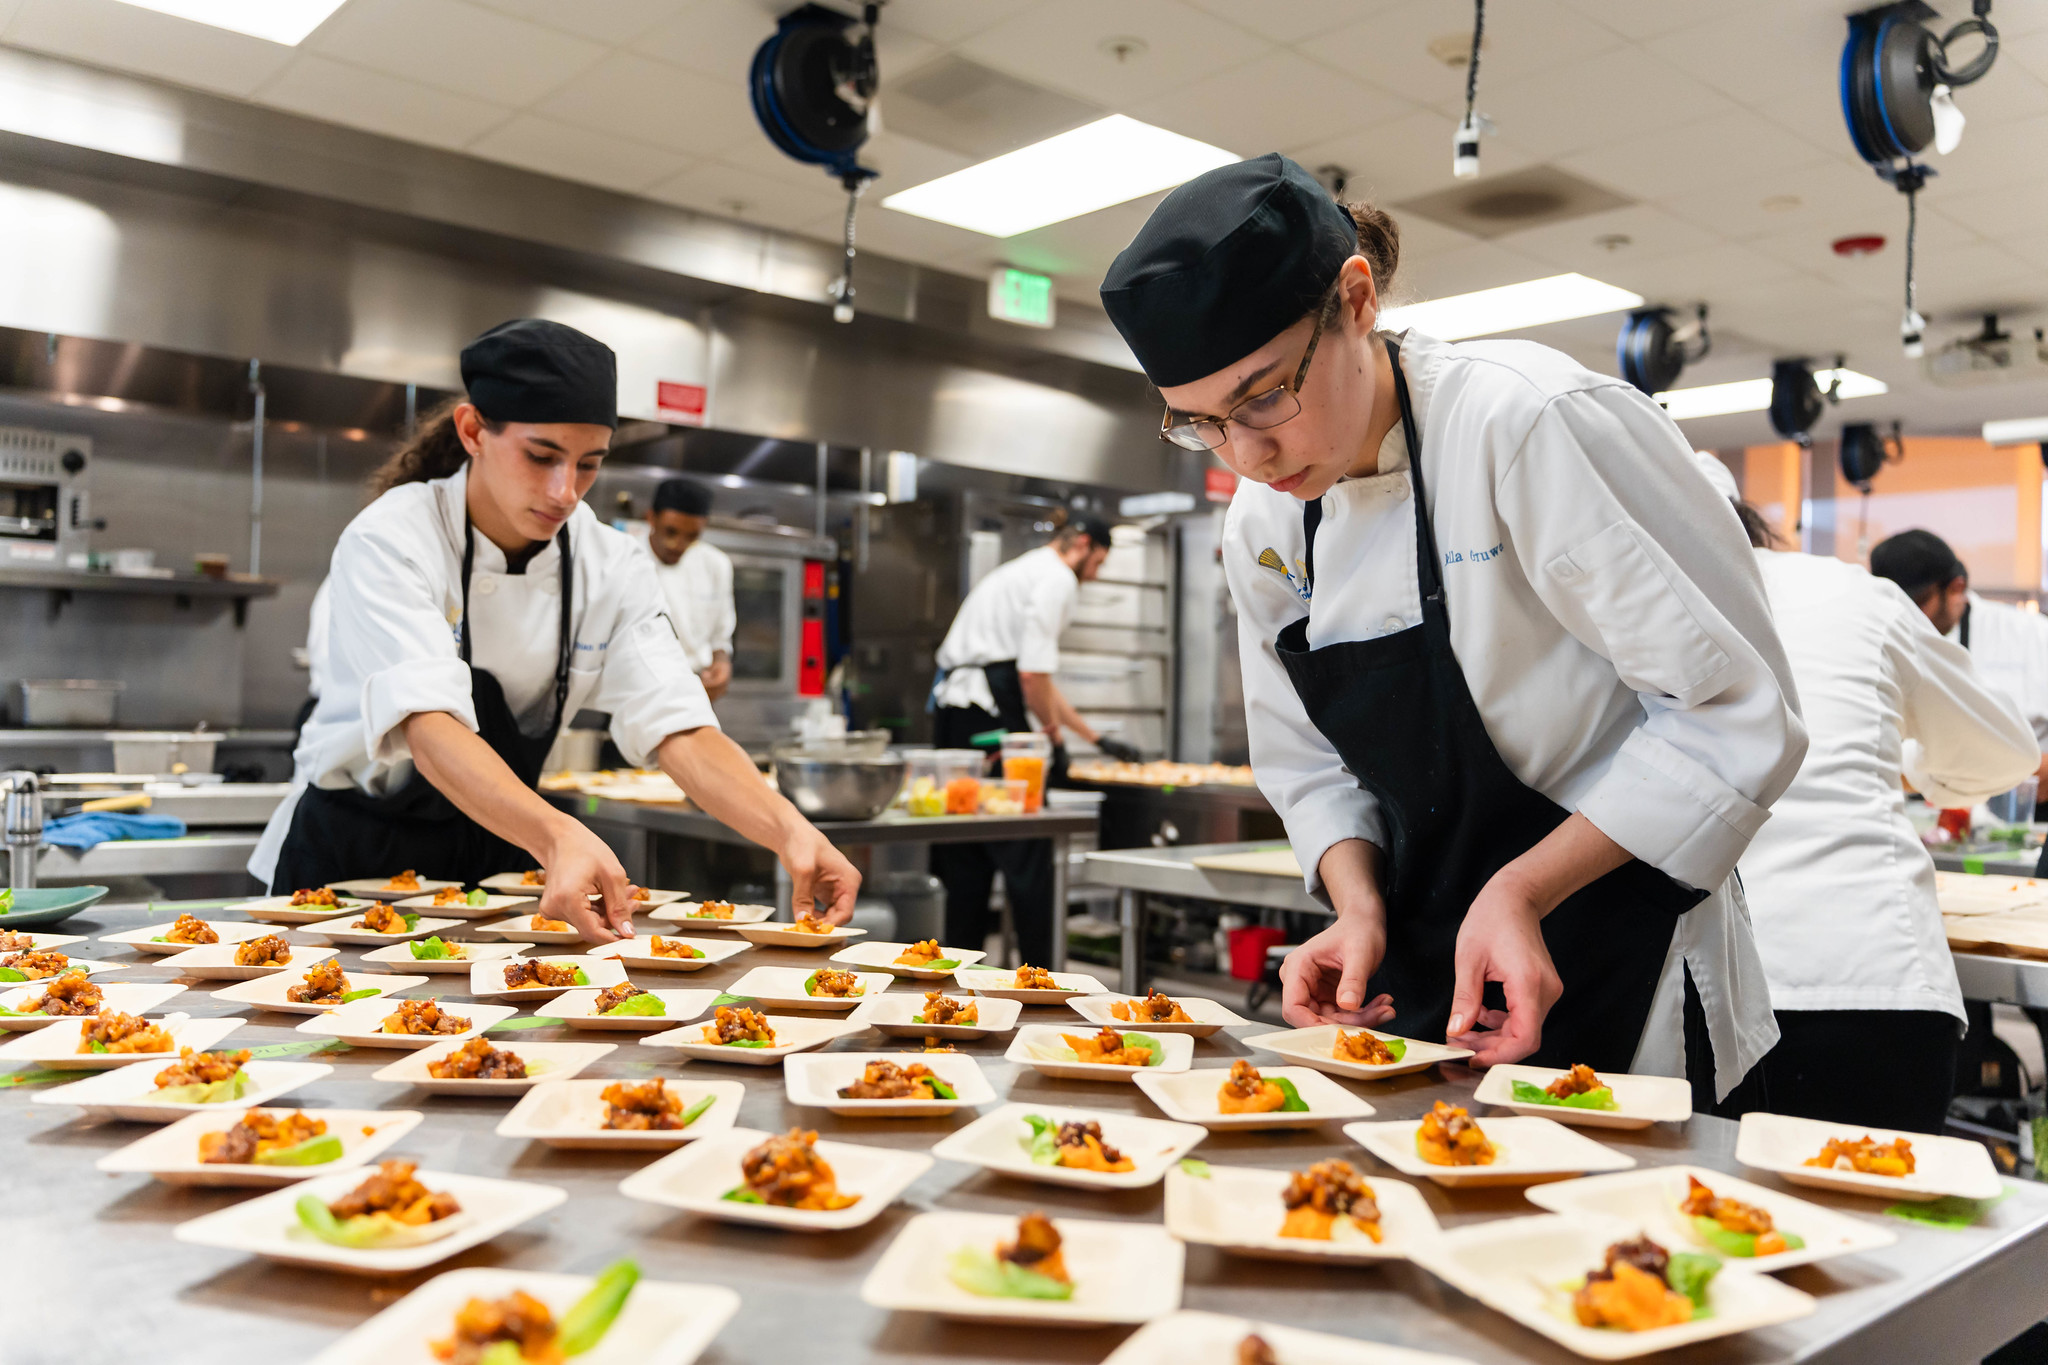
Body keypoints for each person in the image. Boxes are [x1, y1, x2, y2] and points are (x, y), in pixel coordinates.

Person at [1100, 154, 1806, 1105]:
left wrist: (1520, 891)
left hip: (1618, 953)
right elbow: (1309, 764)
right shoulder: (1265, 519)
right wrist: (1356, 906)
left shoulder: (1527, 423)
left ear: (1356, 299)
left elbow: (1736, 715)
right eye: (1200, 424)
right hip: (1420, 975)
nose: (1246, 453)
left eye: (1265, 396)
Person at [251, 319, 859, 939]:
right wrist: (559, 833)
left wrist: (790, 831)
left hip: (502, 858)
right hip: (351, 866)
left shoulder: (609, 563)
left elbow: (680, 725)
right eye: (541, 457)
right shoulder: (393, 538)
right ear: (473, 432)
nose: (565, 492)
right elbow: (429, 727)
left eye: (589, 465)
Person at [1708, 457, 2037, 1131]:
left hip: (1708, 1002)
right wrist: (1912, 760)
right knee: (1882, 1221)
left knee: (1718, 1220)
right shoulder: (1849, 593)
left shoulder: (1628, 615)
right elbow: (2008, 749)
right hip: (1872, 985)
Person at [929, 516, 1137, 964]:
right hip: (991, 713)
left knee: (967, 850)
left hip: (958, 715)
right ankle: (1039, 976)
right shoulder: (1058, 578)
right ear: (1082, 545)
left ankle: (954, 977)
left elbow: (1037, 681)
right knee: (1027, 844)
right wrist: (1053, 741)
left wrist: (1094, 738)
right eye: (1098, 562)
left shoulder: (1021, 570)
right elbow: (1031, 676)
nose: (1096, 575)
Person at [646, 479, 736, 702]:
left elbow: (720, 637)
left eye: (692, 536)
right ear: (651, 518)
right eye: (670, 532)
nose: (678, 544)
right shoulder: (628, 559)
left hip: (695, 688)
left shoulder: (716, 564)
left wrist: (722, 663)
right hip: (639, 688)